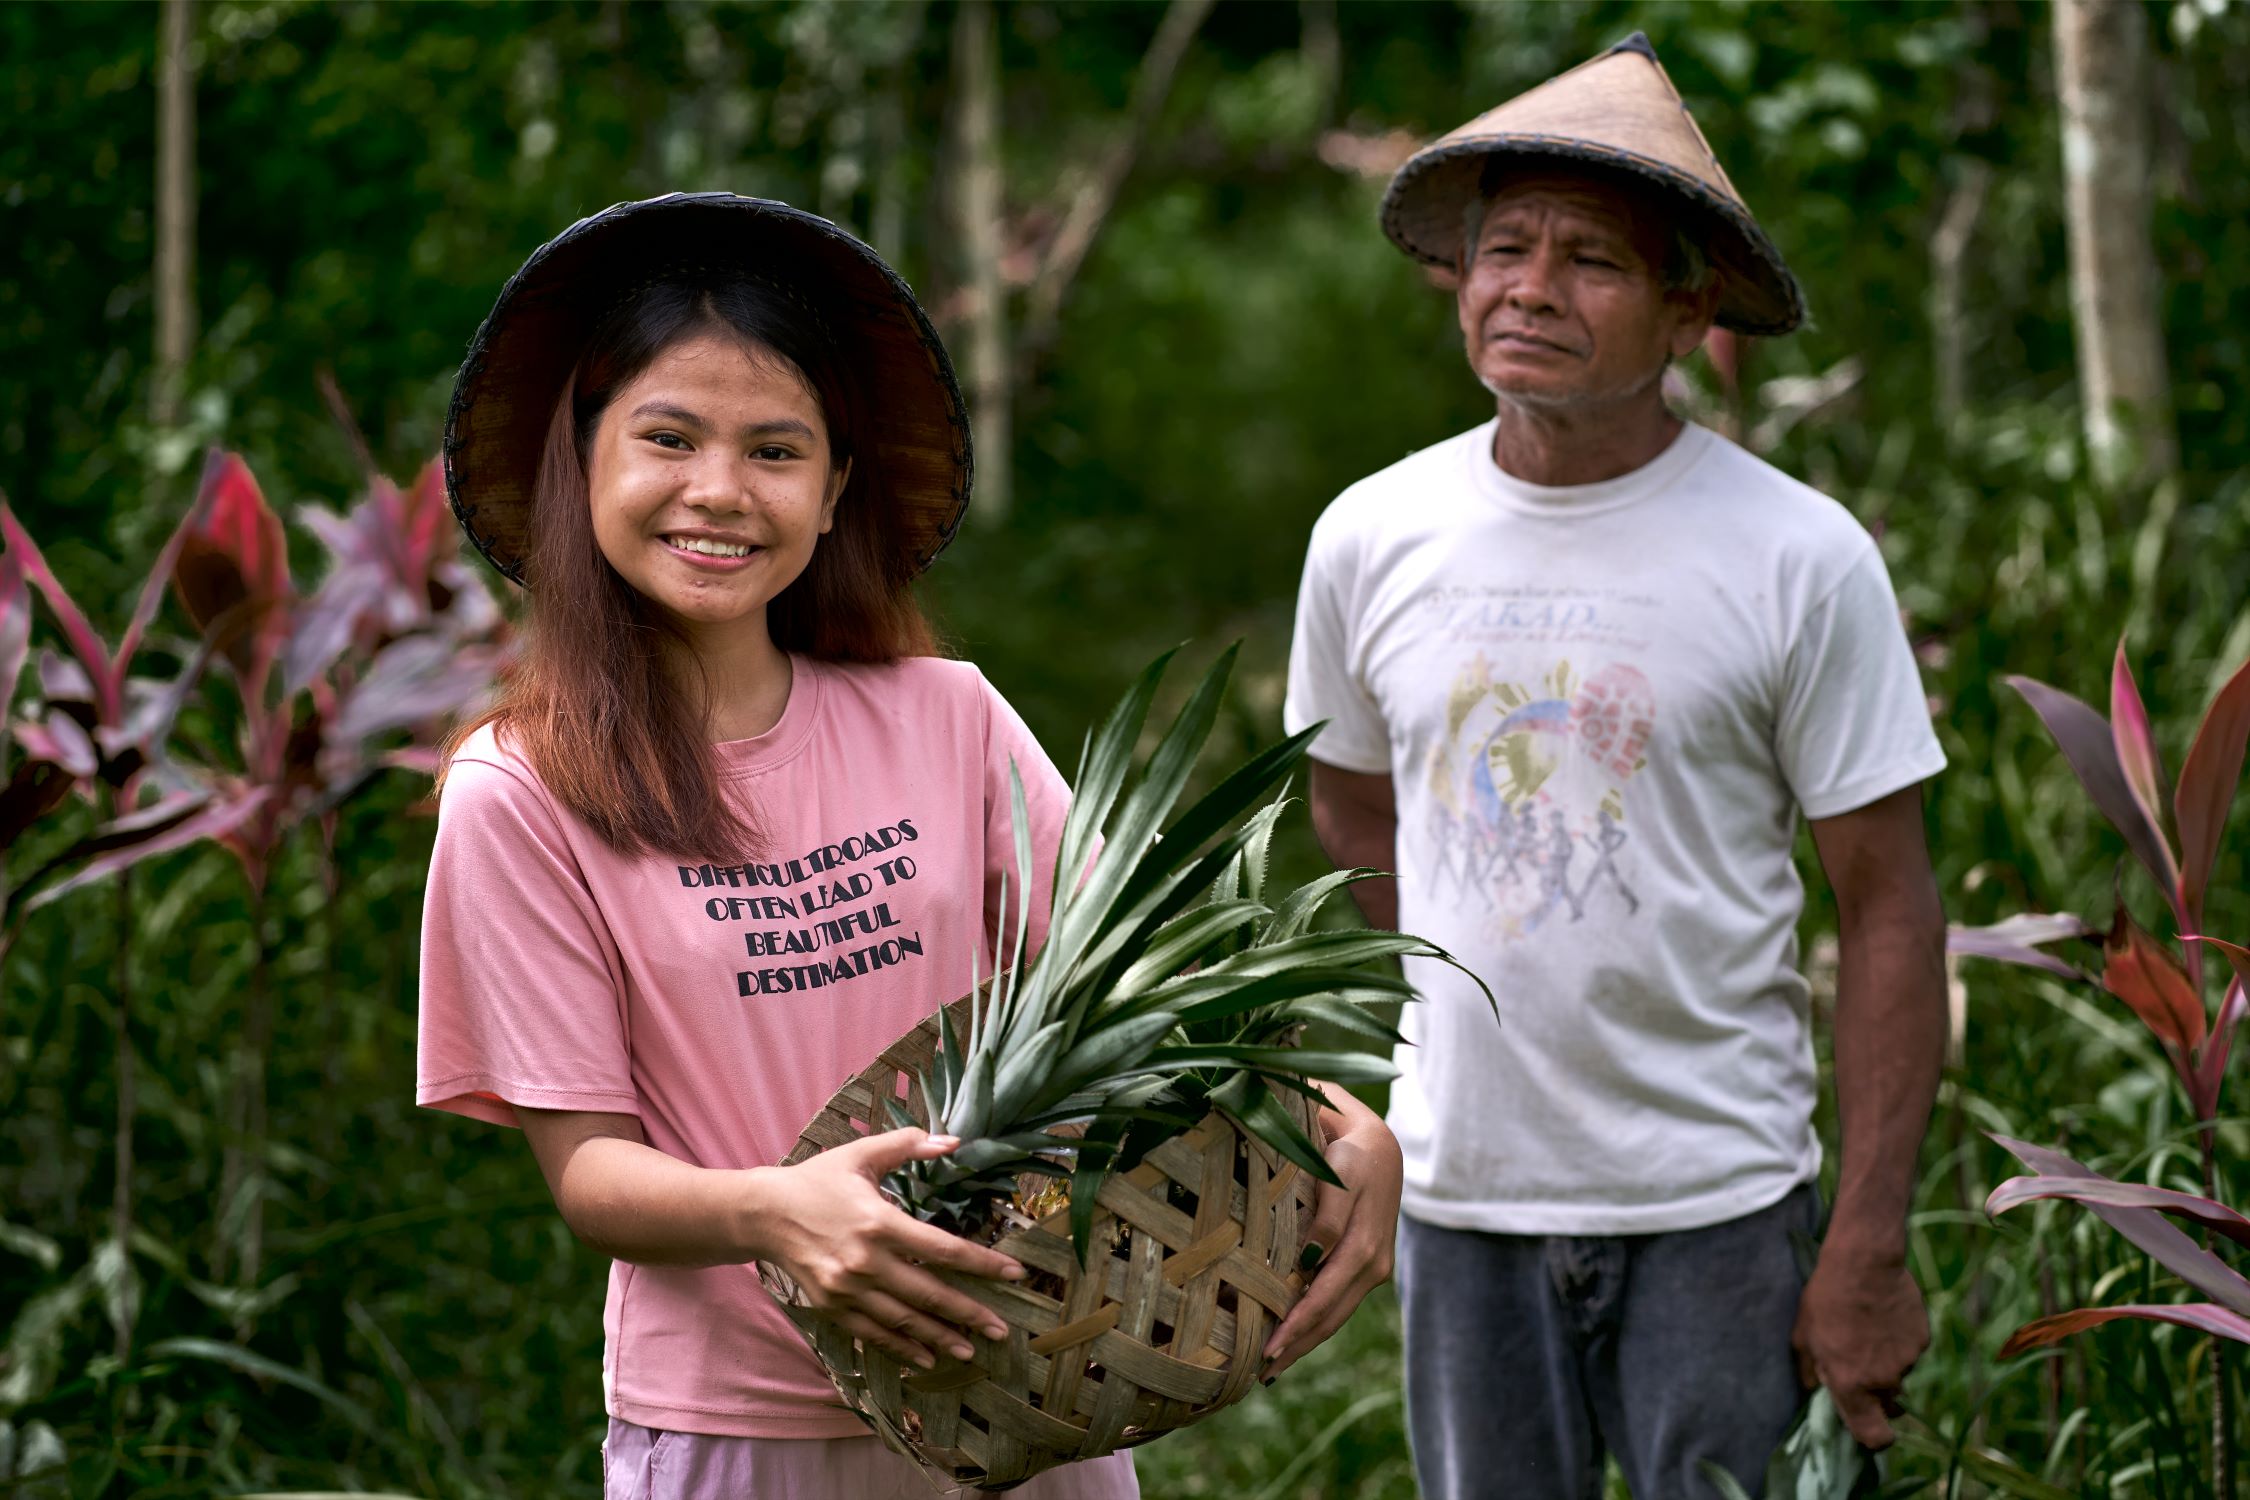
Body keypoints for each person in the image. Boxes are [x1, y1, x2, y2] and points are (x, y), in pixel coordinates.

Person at [416, 193, 1400, 1500]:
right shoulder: (518, 792)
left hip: (1031, 1378)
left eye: (775, 450)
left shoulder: (945, 716)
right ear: (582, 460)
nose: (717, 490)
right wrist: (776, 1211)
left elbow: (1159, 985)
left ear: (831, 495)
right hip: (741, 1431)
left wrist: (1341, 1128)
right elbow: (589, 1171)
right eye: (667, 437)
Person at [1283, 36, 1948, 1499]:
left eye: (1587, 258)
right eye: (1500, 247)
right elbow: (1349, 805)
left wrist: (1867, 1242)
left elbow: (1889, 904)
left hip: (1716, 1205)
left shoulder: (1796, 557)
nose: (1527, 287)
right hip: (1464, 1204)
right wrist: (1458, 997)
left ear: (1684, 302)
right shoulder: (1371, 537)